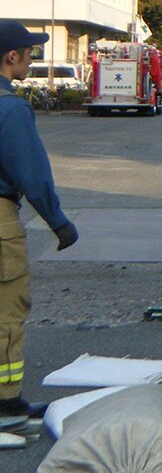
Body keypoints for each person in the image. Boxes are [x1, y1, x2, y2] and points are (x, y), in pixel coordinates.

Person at [0, 21, 79, 425]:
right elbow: (32, 174)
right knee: (7, 310)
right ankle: (5, 403)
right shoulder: (10, 108)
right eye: (30, 52)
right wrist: (58, 222)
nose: (32, 58)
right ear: (11, 56)